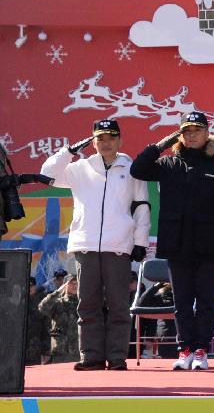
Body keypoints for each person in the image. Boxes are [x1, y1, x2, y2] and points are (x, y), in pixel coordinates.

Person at [130, 111, 214, 371]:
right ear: (179, 135)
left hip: (208, 243)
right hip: (176, 243)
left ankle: (201, 350)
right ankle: (185, 350)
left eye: (197, 130)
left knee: (205, 300)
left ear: (207, 133)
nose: (192, 135)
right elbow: (138, 168)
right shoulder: (168, 164)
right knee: (181, 301)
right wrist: (164, 142)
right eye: (187, 131)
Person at [41, 119, 151, 371]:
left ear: (120, 141)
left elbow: (142, 205)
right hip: (85, 244)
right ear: (93, 142)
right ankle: (90, 356)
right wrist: (67, 152)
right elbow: (47, 174)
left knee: (118, 306)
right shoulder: (79, 168)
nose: (106, 143)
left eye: (111, 137)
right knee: (87, 304)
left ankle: (116, 357)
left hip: (118, 245)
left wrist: (140, 241)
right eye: (100, 138)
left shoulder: (131, 168)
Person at [38, 274, 80, 364]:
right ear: (65, 285)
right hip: (61, 352)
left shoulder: (82, 303)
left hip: (79, 351)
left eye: (77, 283)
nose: (75, 286)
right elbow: (42, 307)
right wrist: (57, 292)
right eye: (71, 283)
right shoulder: (58, 302)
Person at [26, 276, 50, 365]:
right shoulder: (15, 300)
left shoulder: (41, 302)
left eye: (31, 286)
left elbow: (46, 328)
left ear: (35, 287)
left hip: (34, 348)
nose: (29, 288)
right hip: (16, 349)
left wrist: (46, 351)